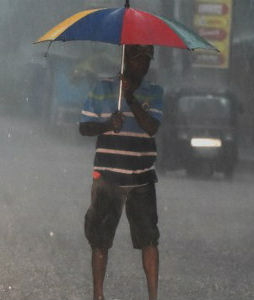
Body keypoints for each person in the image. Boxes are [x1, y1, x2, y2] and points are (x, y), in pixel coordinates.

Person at [78, 44, 163, 300]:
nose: (144, 65)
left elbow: (151, 127)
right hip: (108, 175)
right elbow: (84, 127)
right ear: (126, 58)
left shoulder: (154, 92)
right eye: (139, 59)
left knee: (149, 238)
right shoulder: (102, 88)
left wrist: (130, 98)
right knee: (100, 239)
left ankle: (153, 296)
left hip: (142, 176)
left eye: (148, 60)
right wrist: (108, 124)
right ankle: (98, 294)